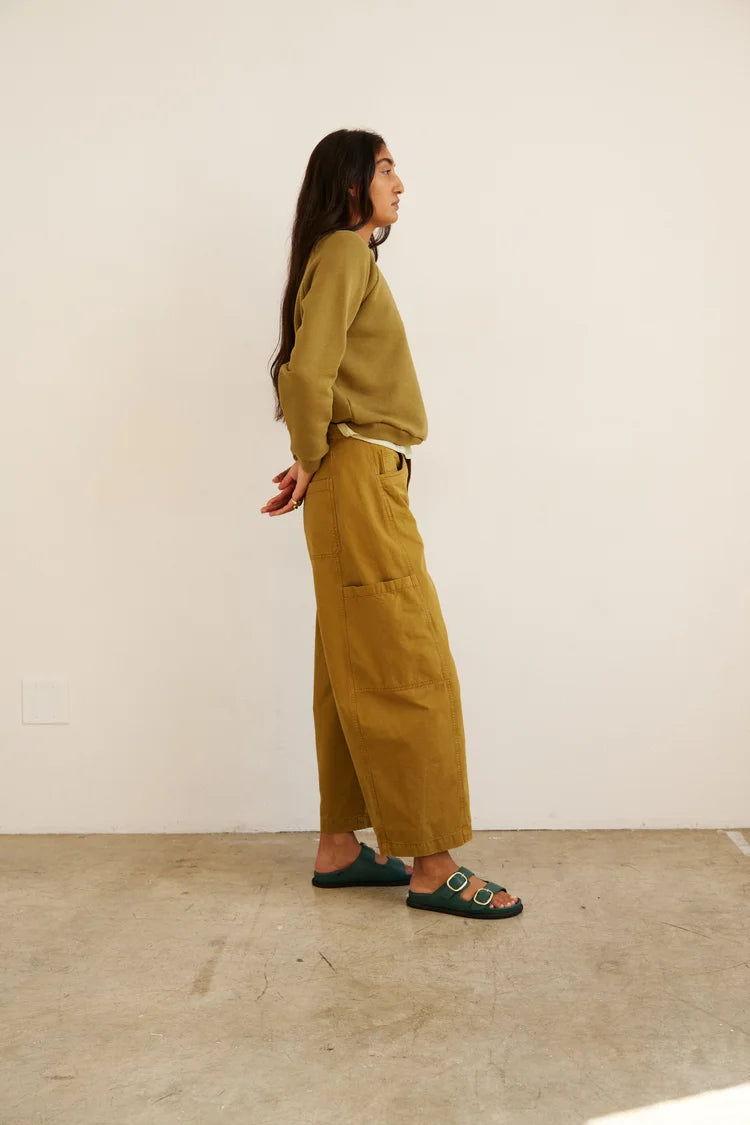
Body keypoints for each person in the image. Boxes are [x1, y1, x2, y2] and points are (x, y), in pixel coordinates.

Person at [261, 129, 522, 919]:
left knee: (348, 663)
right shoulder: (345, 252)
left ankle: (339, 845)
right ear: (351, 187)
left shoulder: (335, 257)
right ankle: (433, 864)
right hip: (361, 483)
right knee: (409, 663)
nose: (399, 182)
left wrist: (311, 459)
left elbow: (309, 372)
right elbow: (305, 373)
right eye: (384, 169)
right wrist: (313, 456)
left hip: (352, 479)